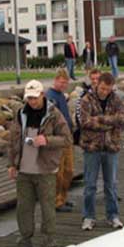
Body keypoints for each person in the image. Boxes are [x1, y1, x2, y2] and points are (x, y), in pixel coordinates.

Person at [7, 80, 71, 247]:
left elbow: (67, 139)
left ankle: (49, 246)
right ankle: (25, 246)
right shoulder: (20, 113)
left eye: (35, 98)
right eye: (29, 98)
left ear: (42, 95)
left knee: (47, 210)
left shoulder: (54, 114)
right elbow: (13, 140)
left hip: (45, 171)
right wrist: (11, 164)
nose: (32, 101)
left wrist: (47, 140)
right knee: (23, 209)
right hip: (24, 171)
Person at [79, 72, 124, 230]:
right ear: (97, 84)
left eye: (108, 89)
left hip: (111, 147)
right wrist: (109, 122)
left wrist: (99, 120)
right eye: (102, 88)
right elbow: (84, 122)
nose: (104, 91)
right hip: (91, 147)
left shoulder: (116, 99)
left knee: (111, 185)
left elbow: (122, 119)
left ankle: (113, 216)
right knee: (90, 185)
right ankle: (88, 217)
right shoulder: (86, 99)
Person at [45, 69, 75, 212]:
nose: (64, 85)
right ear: (56, 80)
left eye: (66, 83)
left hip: (67, 138)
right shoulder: (50, 97)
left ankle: (63, 197)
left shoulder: (61, 96)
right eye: (62, 82)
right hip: (58, 140)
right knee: (58, 173)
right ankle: (57, 201)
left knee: (69, 171)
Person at [73, 68, 101, 146]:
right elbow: (78, 117)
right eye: (93, 79)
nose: (95, 81)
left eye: (97, 79)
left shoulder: (108, 94)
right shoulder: (83, 95)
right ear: (90, 79)